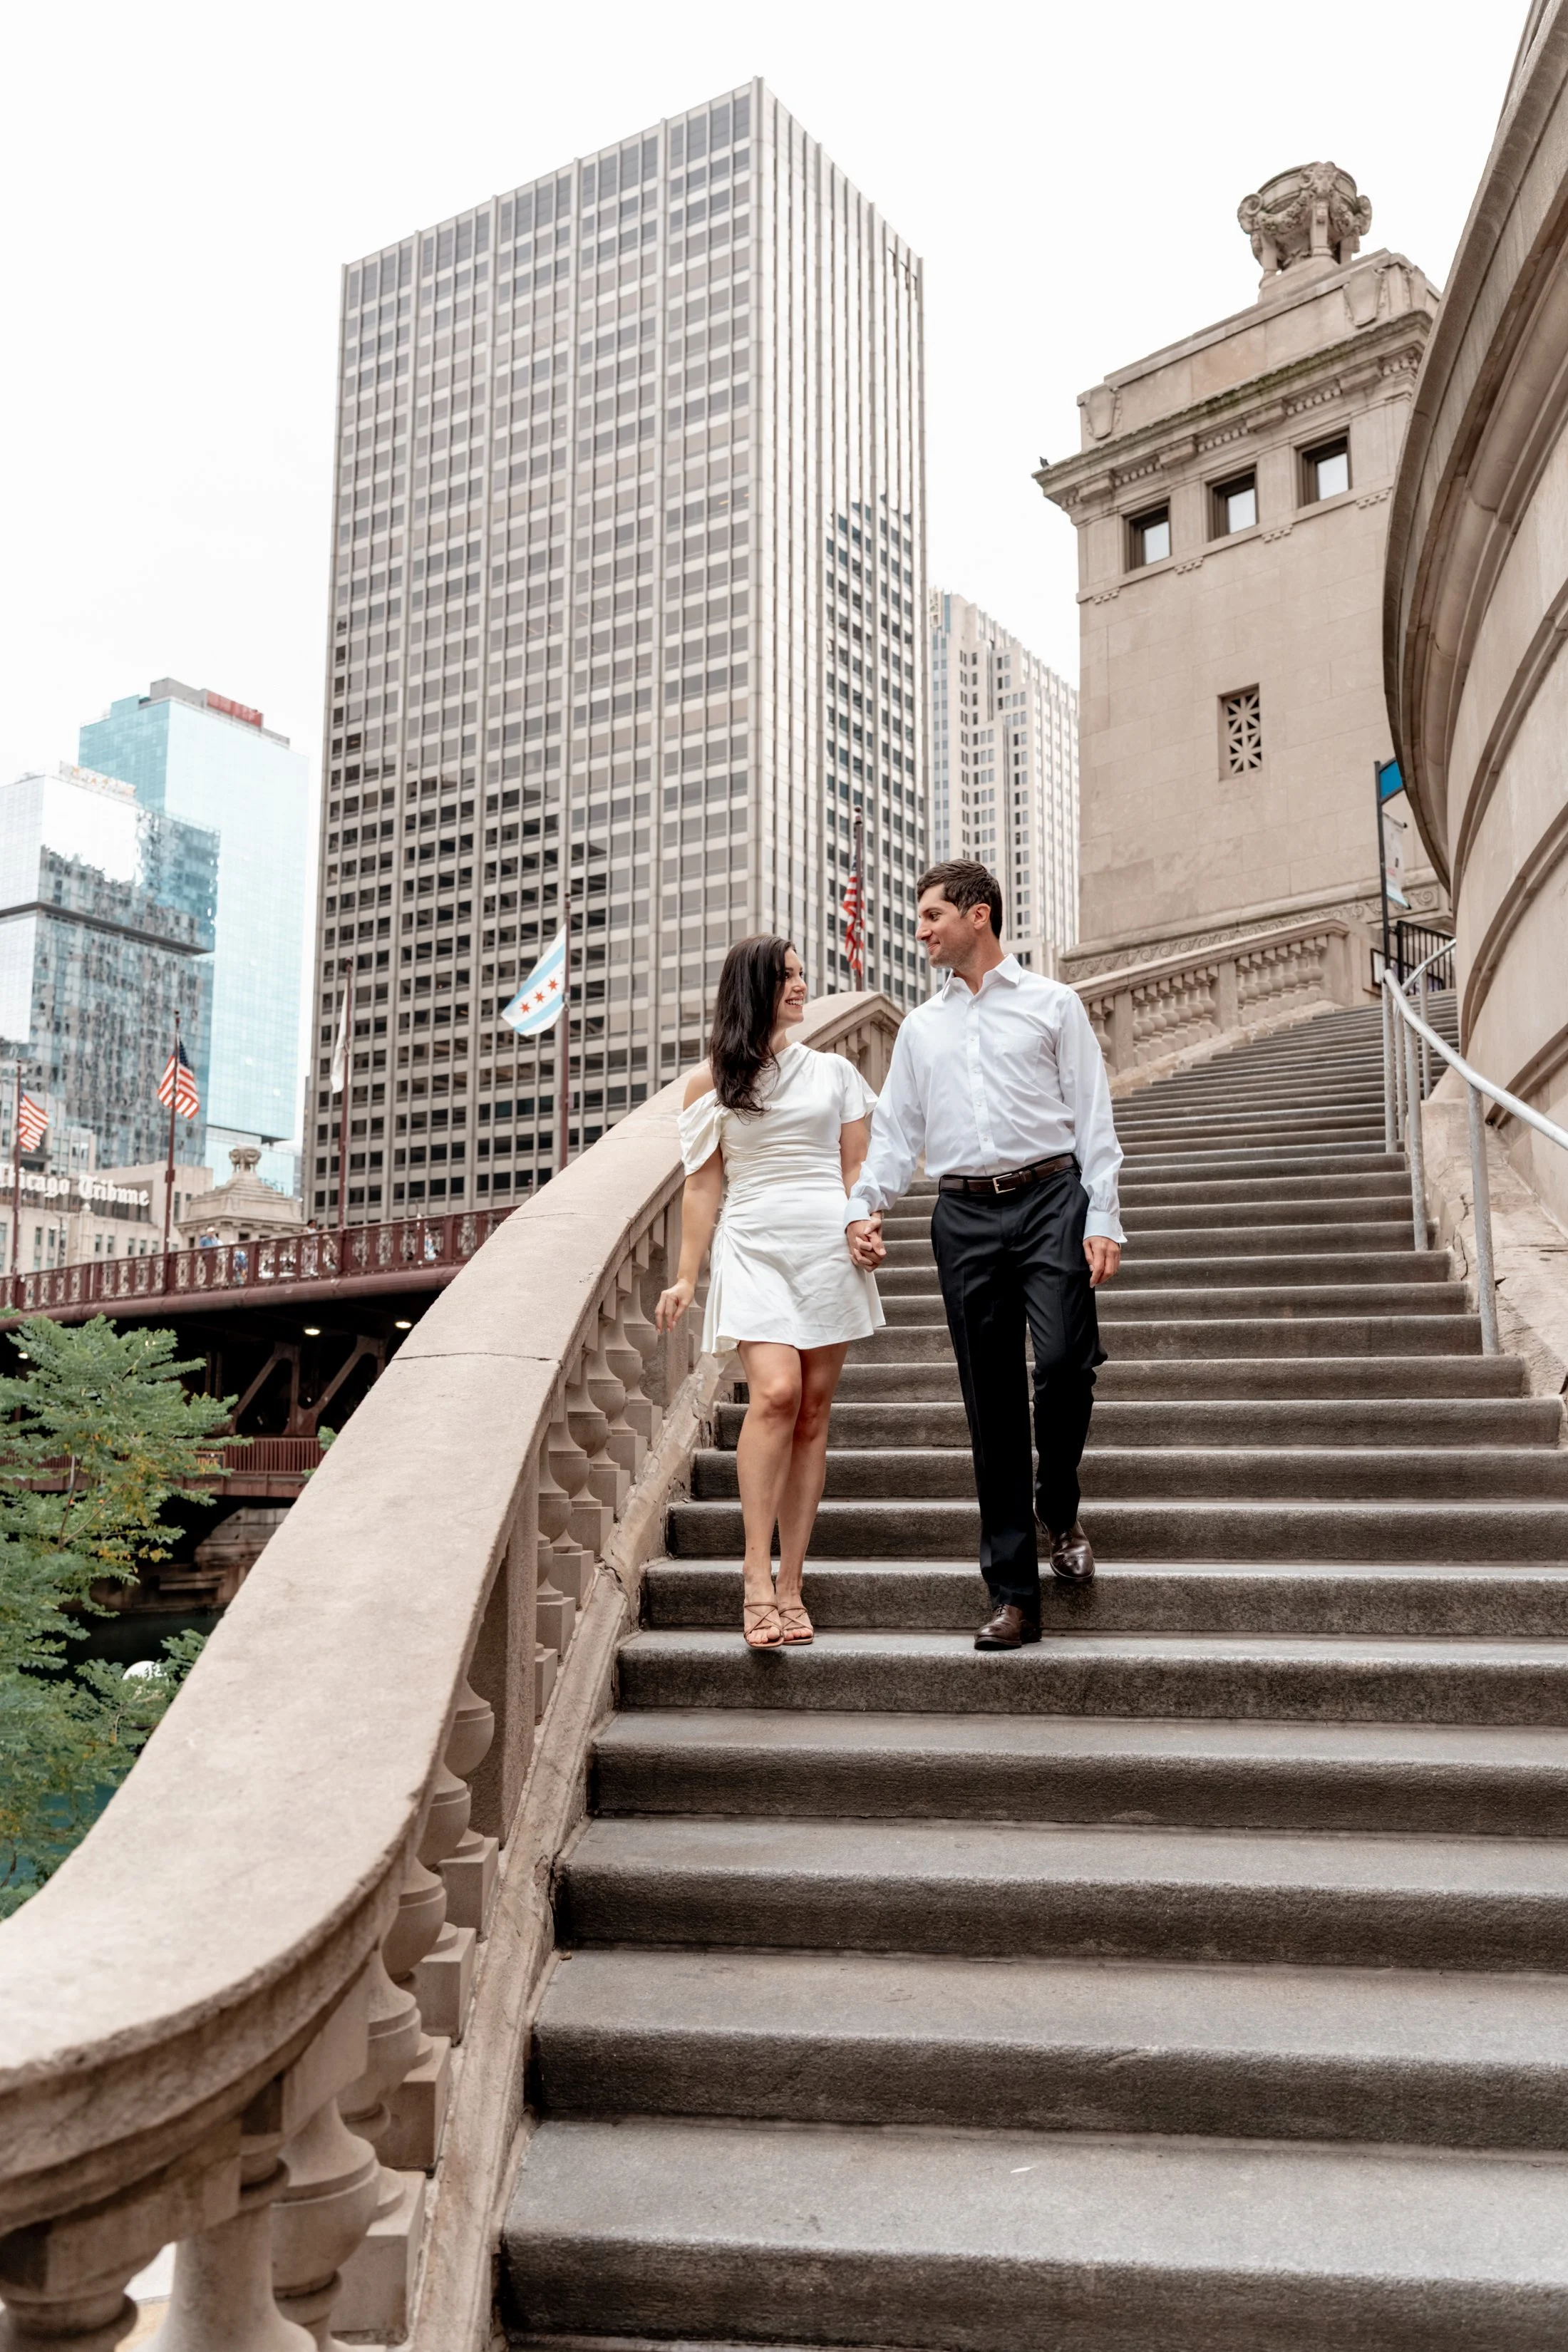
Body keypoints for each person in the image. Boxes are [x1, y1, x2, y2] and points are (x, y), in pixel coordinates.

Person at [845, 861, 1124, 1650]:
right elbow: (896, 1136)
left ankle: (1056, 1504)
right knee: (992, 1406)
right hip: (962, 1214)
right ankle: (1013, 1595)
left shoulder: (1052, 1004)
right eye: (919, 917)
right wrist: (862, 1206)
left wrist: (1103, 1216)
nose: (922, 930)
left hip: (1050, 1200)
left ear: (978, 914)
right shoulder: (922, 1030)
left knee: (1067, 1362)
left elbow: (1092, 1119)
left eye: (934, 915)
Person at [656, 935, 882, 1649]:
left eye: (800, 974)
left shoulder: (836, 1073)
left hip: (825, 1245)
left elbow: (856, 1171)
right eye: (785, 976)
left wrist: (863, 1225)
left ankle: (792, 1584)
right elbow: (702, 1184)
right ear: (753, 988)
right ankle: (754, 1575)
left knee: (813, 1413)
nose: (798, 985)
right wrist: (688, 1273)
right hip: (752, 1244)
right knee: (776, 1394)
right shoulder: (710, 1082)